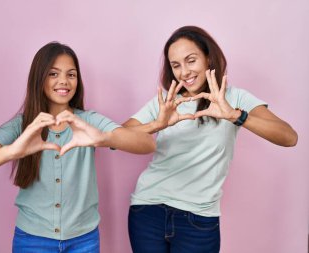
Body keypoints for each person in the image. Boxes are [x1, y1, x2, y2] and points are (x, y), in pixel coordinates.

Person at [0, 42, 155, 253]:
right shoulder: (21, 126)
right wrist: (13, 151)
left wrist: (103, 138)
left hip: (84, 240)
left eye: (71, 74)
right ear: (39, 78)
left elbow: (147, 144)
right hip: (32, 240)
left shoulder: (89, 121)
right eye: (53, 74)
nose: (64, 81)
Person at [124, 26, 298, 253]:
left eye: (191, 60)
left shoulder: (234, 98)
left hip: (199, 217)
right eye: (176, 65)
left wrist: (236, 115)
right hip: (148, 210)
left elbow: (288, 137)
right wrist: (156, 124)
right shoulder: (167, 101)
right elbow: (117, 137)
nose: (184, 72)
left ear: (208, 58)